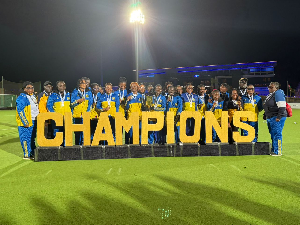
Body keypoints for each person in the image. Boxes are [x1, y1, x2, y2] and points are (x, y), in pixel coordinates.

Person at [16, 81, 39, 160]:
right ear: (24, 89)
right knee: (25, 138)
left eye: (32, 88)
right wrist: (25, 122)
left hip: (34, 120)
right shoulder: (22, 97)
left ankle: (32, 152)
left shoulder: (33, 96)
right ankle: (27, 154)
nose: (30, 89)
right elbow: (20, 110)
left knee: (32, 137)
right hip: (26, 122)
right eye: (28, 88)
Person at [263, 82, 287, 156]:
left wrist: (279, 117)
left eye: (271, 87)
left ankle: (278, 151)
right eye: (269, 87)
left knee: (277, 134)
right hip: (271, 117)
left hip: (276, 117)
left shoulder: (278, 93)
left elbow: (282, 106)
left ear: (276, 88)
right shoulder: (271, 94)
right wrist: (265, 114)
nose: (269, 88)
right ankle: (274, 149)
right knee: (273, 134)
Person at [47, 81, 71, 145]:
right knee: (57, 133)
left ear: (65, 87)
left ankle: (66, 148)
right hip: (57, 118)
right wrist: (54, 115)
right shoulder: (53, 95)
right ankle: (58, 149)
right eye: (60, 86)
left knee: (67, 133)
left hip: (67, 118)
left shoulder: (69, 94)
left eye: (63, 85)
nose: (62, 87)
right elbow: (49, 106)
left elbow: (72, 105)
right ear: (57, 87)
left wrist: (71, 113)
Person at [71, 78, 93, 145]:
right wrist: (77, 101)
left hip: (85, 115)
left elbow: (90, 103)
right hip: (77, 116)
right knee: (77, 132)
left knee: (85, 132)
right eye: (83, 83)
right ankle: (77, 146)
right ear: (79, 84)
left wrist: (87, 112)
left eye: (85, 83)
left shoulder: (88, 92)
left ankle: (85, 147)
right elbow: (71, 104)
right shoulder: (74, 92)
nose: (84, 84)